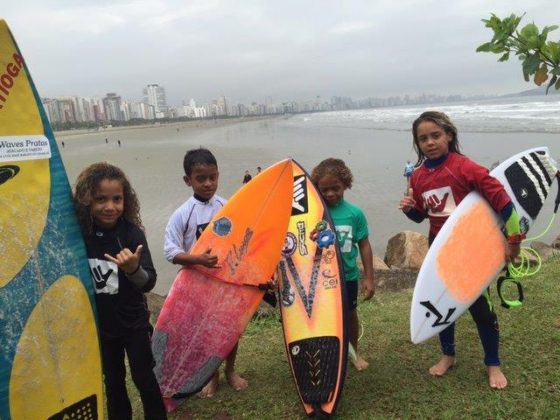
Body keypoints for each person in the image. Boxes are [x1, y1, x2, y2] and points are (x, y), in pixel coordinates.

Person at [398, 111, 523, 389]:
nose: (429, 142)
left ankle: (493, 363)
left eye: (435, 135)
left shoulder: (464, 167)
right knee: (441, 305)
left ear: (449, 136)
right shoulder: (418, 177)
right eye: (423, 139)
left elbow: (503, 201)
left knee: (481, 309)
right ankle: (448, 355)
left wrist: (513, 240)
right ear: (417, 144)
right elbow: (422, 215)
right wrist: (410, 209)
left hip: (470, 251)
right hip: (439, 250)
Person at [73, 162, 166, 420]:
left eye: (117, 199)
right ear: (86, 200)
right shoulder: (81, 235)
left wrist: (133, 269)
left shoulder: (131, 234)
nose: (110, 206)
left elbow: (149, 282)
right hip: (101, 328)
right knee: (113, 383)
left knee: (144, 378)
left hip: (134, 323)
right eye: (100, 199)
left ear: (126, 200)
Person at [163, 147, 248, 398]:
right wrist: (197, 260)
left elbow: (243, 238)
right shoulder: (182, 214)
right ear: (187, 180)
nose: (208, 183)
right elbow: (170, 251)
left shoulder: (228, 206)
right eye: (201, 179)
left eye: (213, 177)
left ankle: (231, 370)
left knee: (230, 331)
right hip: (197, 285)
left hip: (227, 282)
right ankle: (213, 375)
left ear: (218, 175)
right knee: (205, 334)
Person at [311, 158, 375, 371]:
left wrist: (368, 277)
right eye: (324, 189)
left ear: (345, 184)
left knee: (349, 315)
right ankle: (326, 353)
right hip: (321, 279)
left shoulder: (354, 214)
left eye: (335, 188)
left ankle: (354, 353)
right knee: (322, 318)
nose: (330, 194)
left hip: (347, 277)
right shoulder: (314, 214)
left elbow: (364, 245)